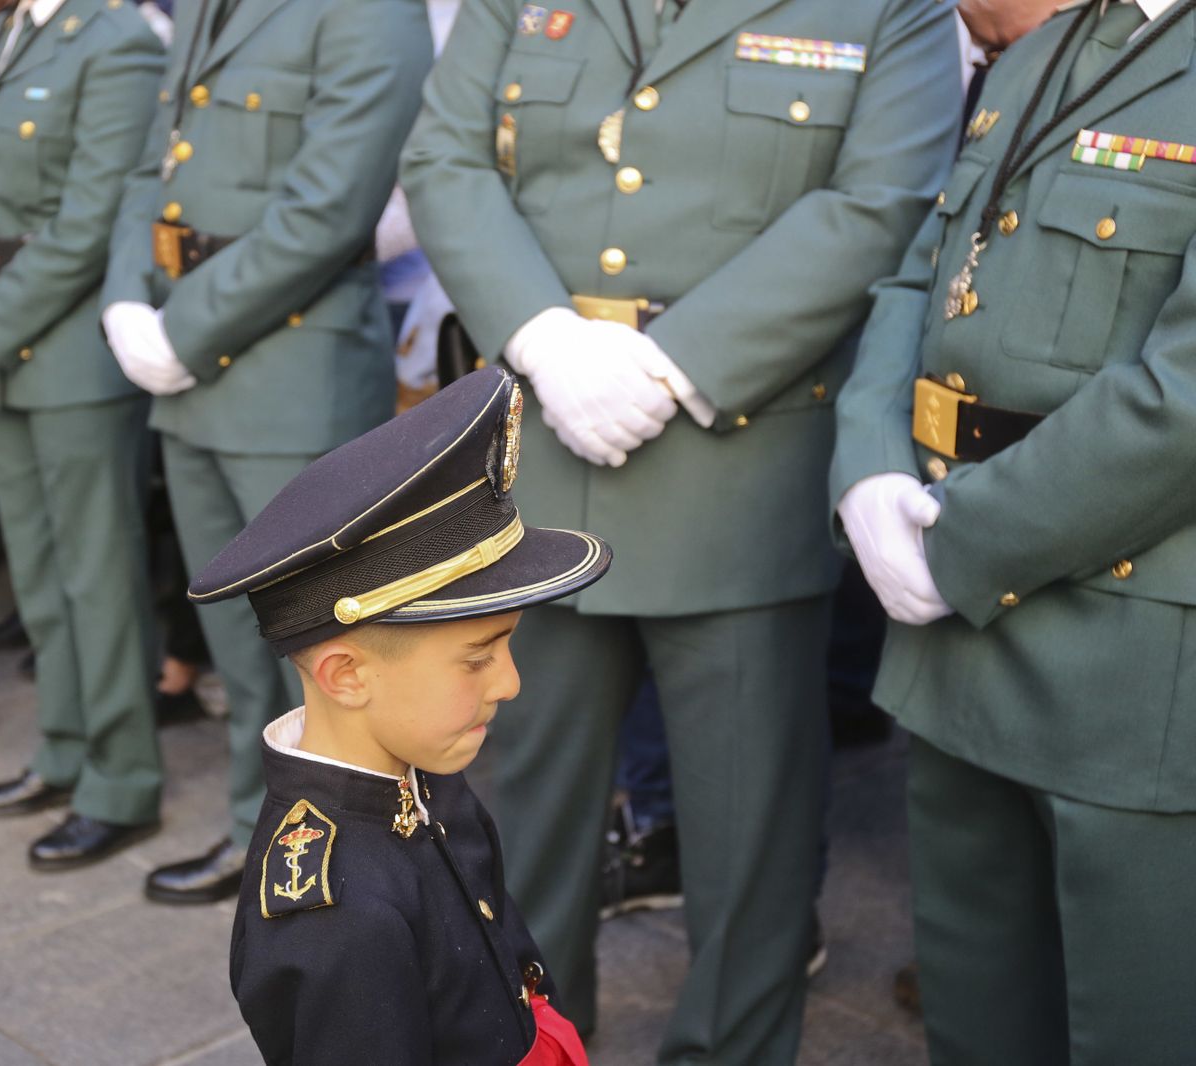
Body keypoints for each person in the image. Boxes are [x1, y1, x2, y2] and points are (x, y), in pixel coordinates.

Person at [401, 0, 963, 1056]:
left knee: (750, 844)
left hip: (736, 476)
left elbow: (878, 202)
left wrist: (673, 362)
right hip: (544, 460)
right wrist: (542, 336)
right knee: (525, 830)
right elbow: (445, 158)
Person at [832, 1, 1196, 1062]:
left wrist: (957, 545)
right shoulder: (1049, 46)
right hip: (955, 648)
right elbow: (920, 271)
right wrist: (865, 473)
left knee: (1137, 1028)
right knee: (978, 1018)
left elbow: (1181, 401)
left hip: (1125, 663)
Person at [98, 0, 433, 904]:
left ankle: (356, 866)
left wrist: (183, 329)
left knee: (322, 649)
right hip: (187, 356)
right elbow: (149, 163)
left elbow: (328, 210)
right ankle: (265, 831)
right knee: (236, 640)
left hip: (291, 371)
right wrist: (129, 293)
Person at [210, 368, 598, 1065]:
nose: (509, 683)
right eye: (478, 657)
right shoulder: (339, 914)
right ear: (347, 675)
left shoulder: (422, 769)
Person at [0, 0, 168, 869]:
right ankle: (64, 748)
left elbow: (93, 217)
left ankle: (122, 779)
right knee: (37, 568)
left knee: (97, 576)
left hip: (60, 351)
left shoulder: (118, 40)